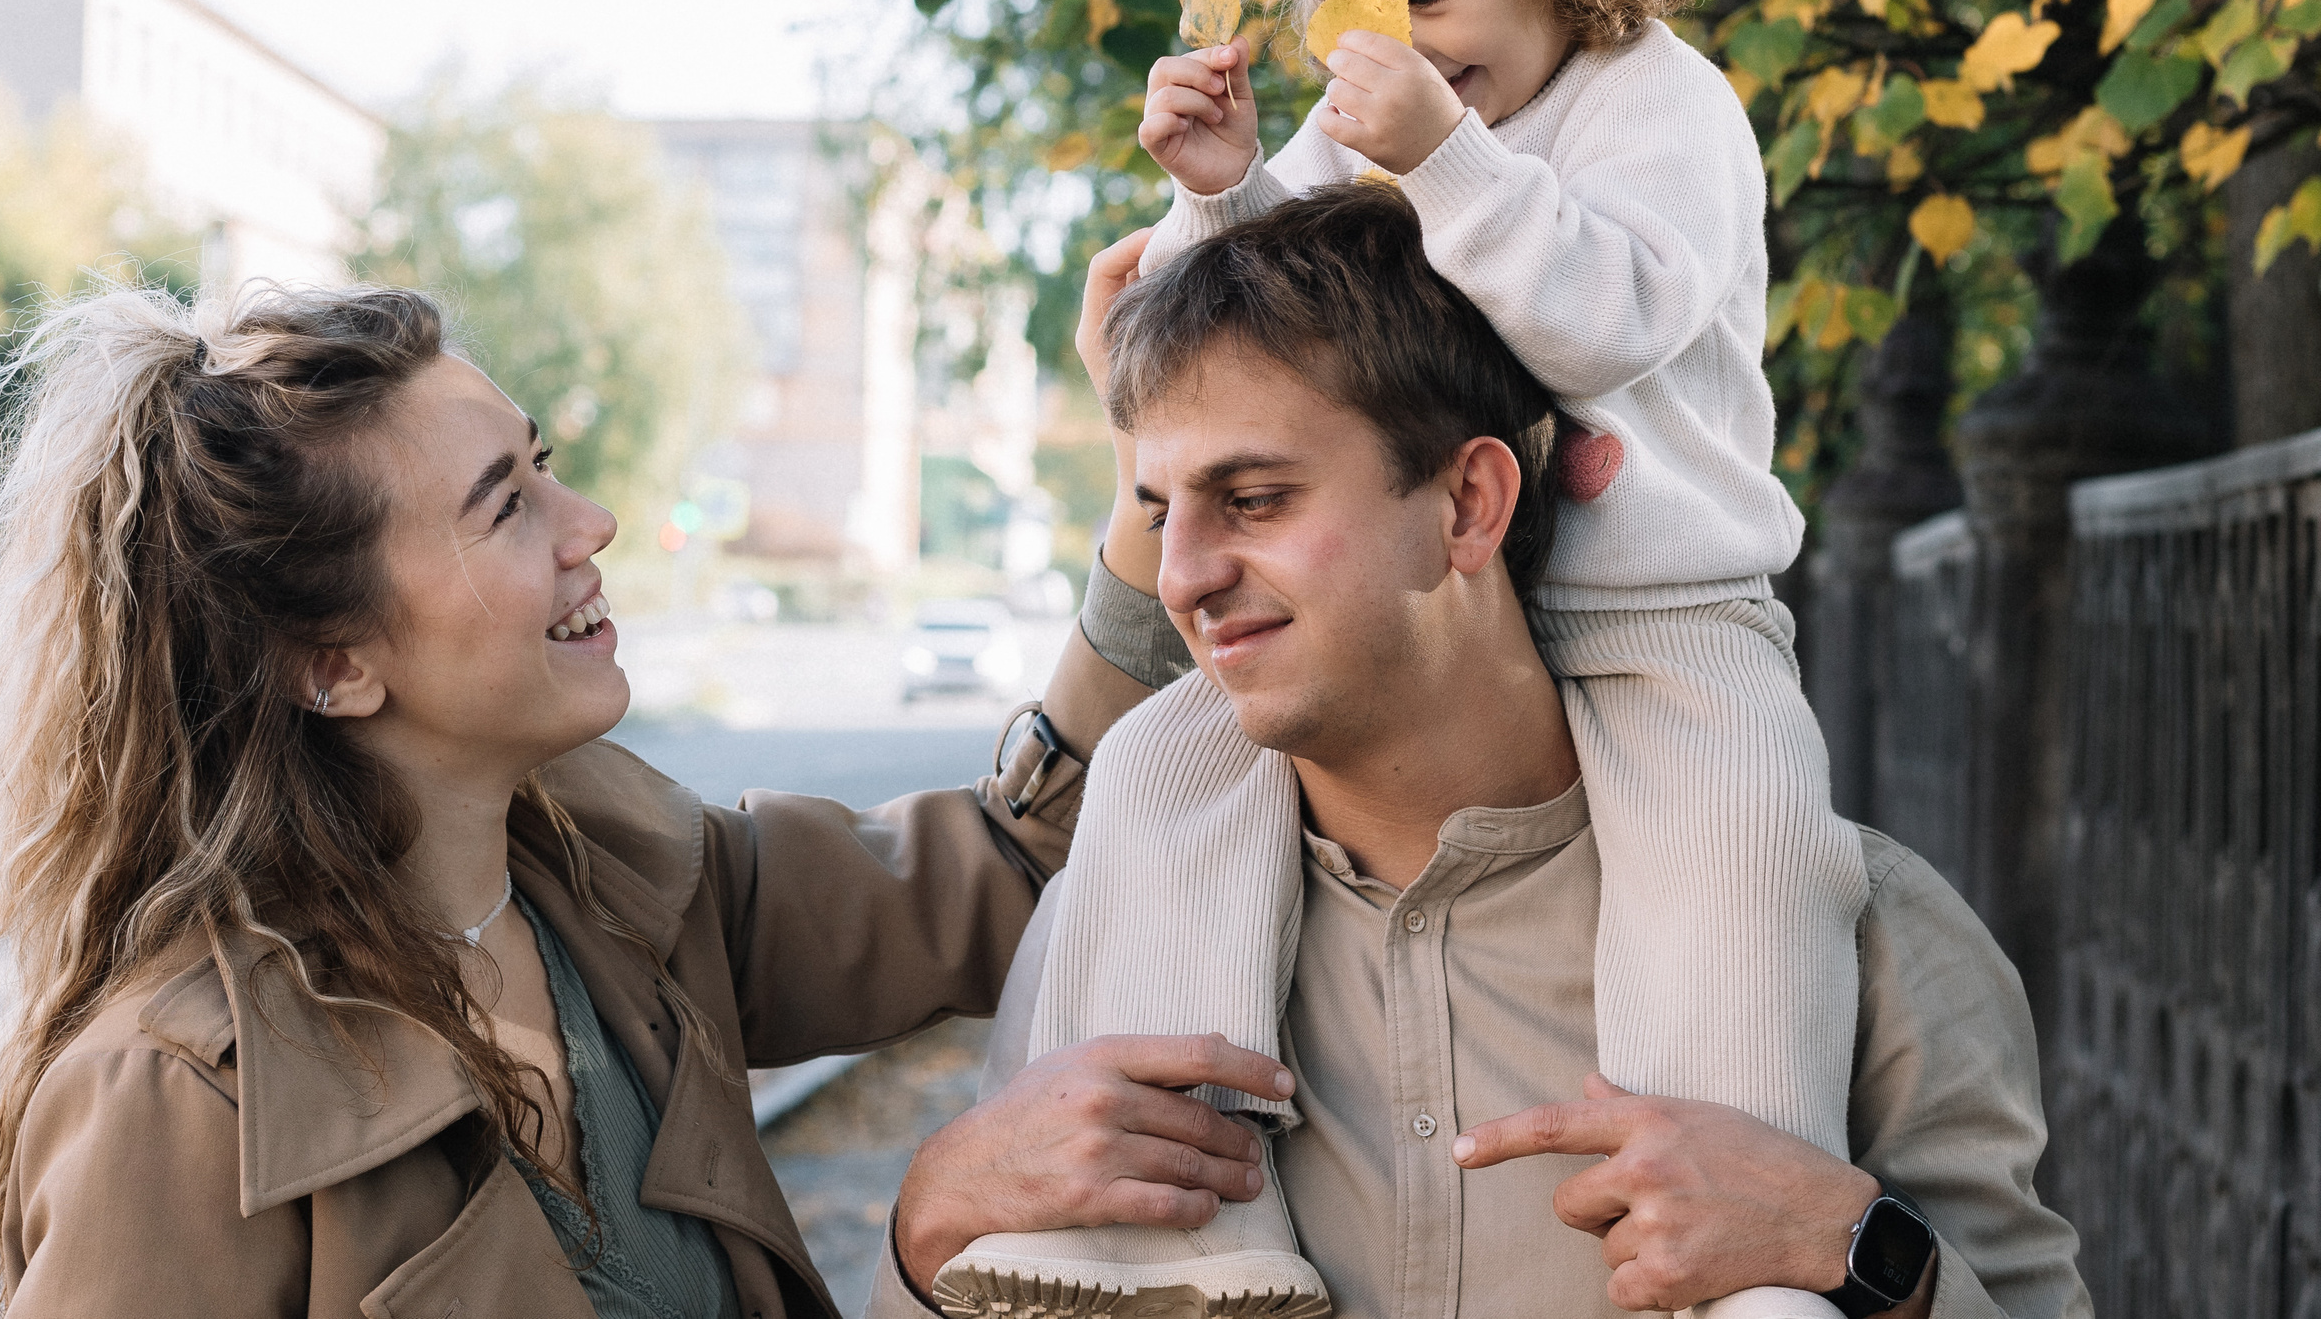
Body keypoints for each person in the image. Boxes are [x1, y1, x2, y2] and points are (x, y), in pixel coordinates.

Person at [943, 0, 1866, 1311]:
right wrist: (1220, 186)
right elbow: (1277, 328)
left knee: (1741, 850)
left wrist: (1444, 158)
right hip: (1418, 616)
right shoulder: (1398, 92)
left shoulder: (1660, 104)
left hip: (1664, 610)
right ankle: (1178, 1233)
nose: (1399, 40)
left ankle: (1735, 1254)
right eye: (1355, 7)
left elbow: (1608, 318)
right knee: (1163, 780)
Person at [0, 281, 1225, 1319]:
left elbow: (1014, 864)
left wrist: (1154, 495)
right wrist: (927, 1223)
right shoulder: (184, 1093)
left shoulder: (629, 881)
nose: (588, 518)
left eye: (542, 463)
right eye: (506, 505)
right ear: (334, 661)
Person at [890, 191, 2087, 1319]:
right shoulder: (1109, 920)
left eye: (1252, 499)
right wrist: (930, 1224)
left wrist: (1859, 1248)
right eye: (1161, 514)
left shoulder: (1852, 930)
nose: (1186, 577)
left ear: (1468, 503)